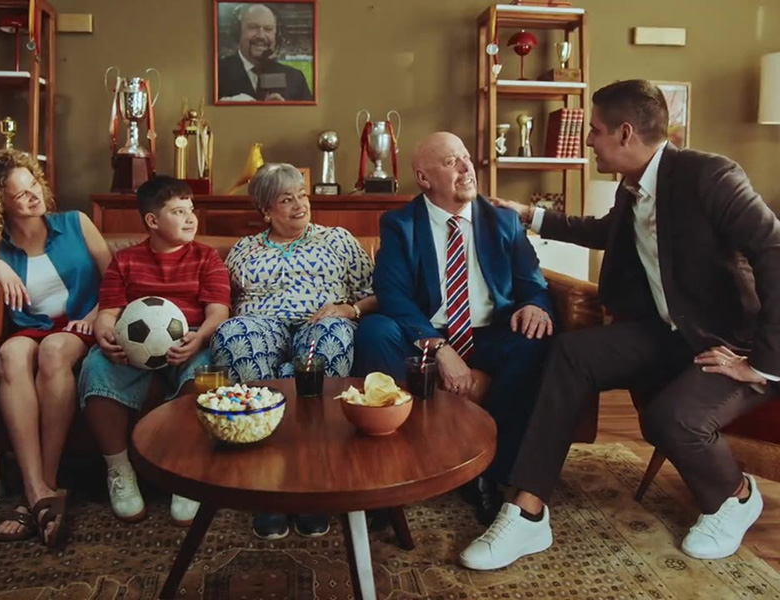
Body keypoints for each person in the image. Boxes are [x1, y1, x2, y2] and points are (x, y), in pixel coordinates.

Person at [460, 79, 780, 571]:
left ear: (625, 133)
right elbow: (607, 230)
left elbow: (773, 250)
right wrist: (531, 215)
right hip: (669, 333)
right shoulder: (635, 187)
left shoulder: (710, 175)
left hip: (731, 342)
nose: (589, 140)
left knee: (670, 418)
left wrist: (762, 361)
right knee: (571, 353)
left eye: (595, 130)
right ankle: (528, 512)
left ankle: (735, 497)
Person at [353, 132, 556, 526]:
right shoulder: (400, 223)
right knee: (375, 331)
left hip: (489, 334)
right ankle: (390, 467)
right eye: (451, 163)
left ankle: (489, 473)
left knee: (534, 341)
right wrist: (439, 348)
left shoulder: (503, 221)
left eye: (466, 158)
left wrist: (535, 304)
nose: (467, 169)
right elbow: (392, 294)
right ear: (424, 178)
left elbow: (534, 283)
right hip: (427, 333)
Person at [211, 162, 377, 539]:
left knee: (333, 337)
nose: (300, 205)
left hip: (319, 322)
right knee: (233, 334)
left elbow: (375, 292)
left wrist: (350, 309)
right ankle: (265, 484)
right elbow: (221, 300)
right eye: (287, 200)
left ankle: (312, 479)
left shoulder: (337, 240)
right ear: (266, 210)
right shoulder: (245, 249)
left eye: (303, 195)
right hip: (261, 324)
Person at [78, 176, 230, 526]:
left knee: (208, 373)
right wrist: (104, 333)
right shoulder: (125, 261)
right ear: (152, 220)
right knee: (95, 366)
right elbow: (108, 313)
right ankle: (119, 470)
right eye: (178, 212)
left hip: (190, 340)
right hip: (133, 347)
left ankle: (186, 468)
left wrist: (200, 339)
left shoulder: (206, 257)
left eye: (191, 210)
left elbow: (218, 311)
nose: (190, 218)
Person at [0, 150, 111, 548]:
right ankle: (38, 491)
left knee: (54, 350)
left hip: (78, 324)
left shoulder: (75, 222)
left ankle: (43, 487)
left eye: (34, 184)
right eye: (20, 194)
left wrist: (96, 314)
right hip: (31, 329)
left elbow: (116, 277)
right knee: (10, 354)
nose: (34, 195)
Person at [218, 3, 313, 102]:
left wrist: (286, 109)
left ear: (277, 36)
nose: (261, 36)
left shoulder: (295, 78)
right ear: (238, 32)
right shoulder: (216, 73)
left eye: (268, 29)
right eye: (253, 27)